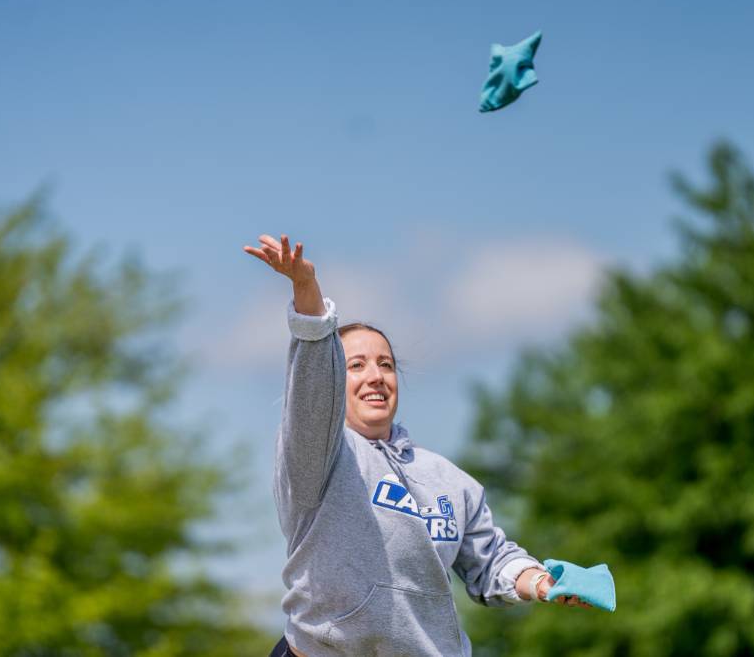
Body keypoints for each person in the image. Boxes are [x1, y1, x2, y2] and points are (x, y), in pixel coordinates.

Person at [244, 234, 589, 657]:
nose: (375, 376)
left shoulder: (448, 480)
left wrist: (539, 581)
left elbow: (490, 560)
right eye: (356, 365)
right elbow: (312, 392)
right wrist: (308, 293)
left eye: (386, 365)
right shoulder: (315, 458)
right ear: (335, 381)